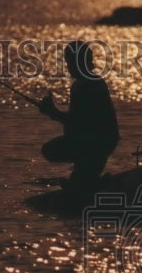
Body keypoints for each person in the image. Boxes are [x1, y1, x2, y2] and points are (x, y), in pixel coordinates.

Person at [38, 40, 120, 190]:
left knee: (50, 150)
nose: (68, 67)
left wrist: (52, 112)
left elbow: (77, 123)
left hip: (95, 143)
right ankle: (89, 178)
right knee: (80, 178)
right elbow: (78, 122)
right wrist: (54, 113)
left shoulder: (82, 85)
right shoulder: (95, 81)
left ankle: (89, 180)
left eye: (69, 62)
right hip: (105, 140)